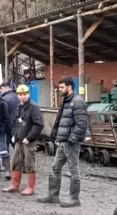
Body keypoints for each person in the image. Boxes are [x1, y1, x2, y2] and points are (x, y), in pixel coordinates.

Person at [37, 77, 88, 207]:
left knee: (73, 169)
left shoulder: (77, 102)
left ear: (69, 87)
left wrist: (72, 139)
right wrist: (55, 135)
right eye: (59, 87)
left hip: (71, 142)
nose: (59, 90)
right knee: (55, 167)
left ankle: (74, 199)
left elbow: (81, 125)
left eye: (62, 87)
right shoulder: (66, 100)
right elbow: (60, 121)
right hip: (63, 141)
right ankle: (53, 196)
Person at [3, 84, 44, 195]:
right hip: (18, 141)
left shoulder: (33, 107)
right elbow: (16, 123)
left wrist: (29, 137)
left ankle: (30, 188)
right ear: (17, 95)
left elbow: (38, 125)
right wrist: (14, 135)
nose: (22, 96)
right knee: (15, 162)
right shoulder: (19, 107)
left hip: (28, 142)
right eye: (20, 94)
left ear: (28, 94)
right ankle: (14, 185)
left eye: (24, 94)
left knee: (29, 164)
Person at [0, 82, 20, 147]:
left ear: (4, 88)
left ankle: (6, 157)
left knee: (5, 144)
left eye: (1, 89)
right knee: (17, 144)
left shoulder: (4, 99)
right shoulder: (18, 96)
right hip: (18, 124)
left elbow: (1, 115)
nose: (0, 91)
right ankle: (19, 156)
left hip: (8, 126)